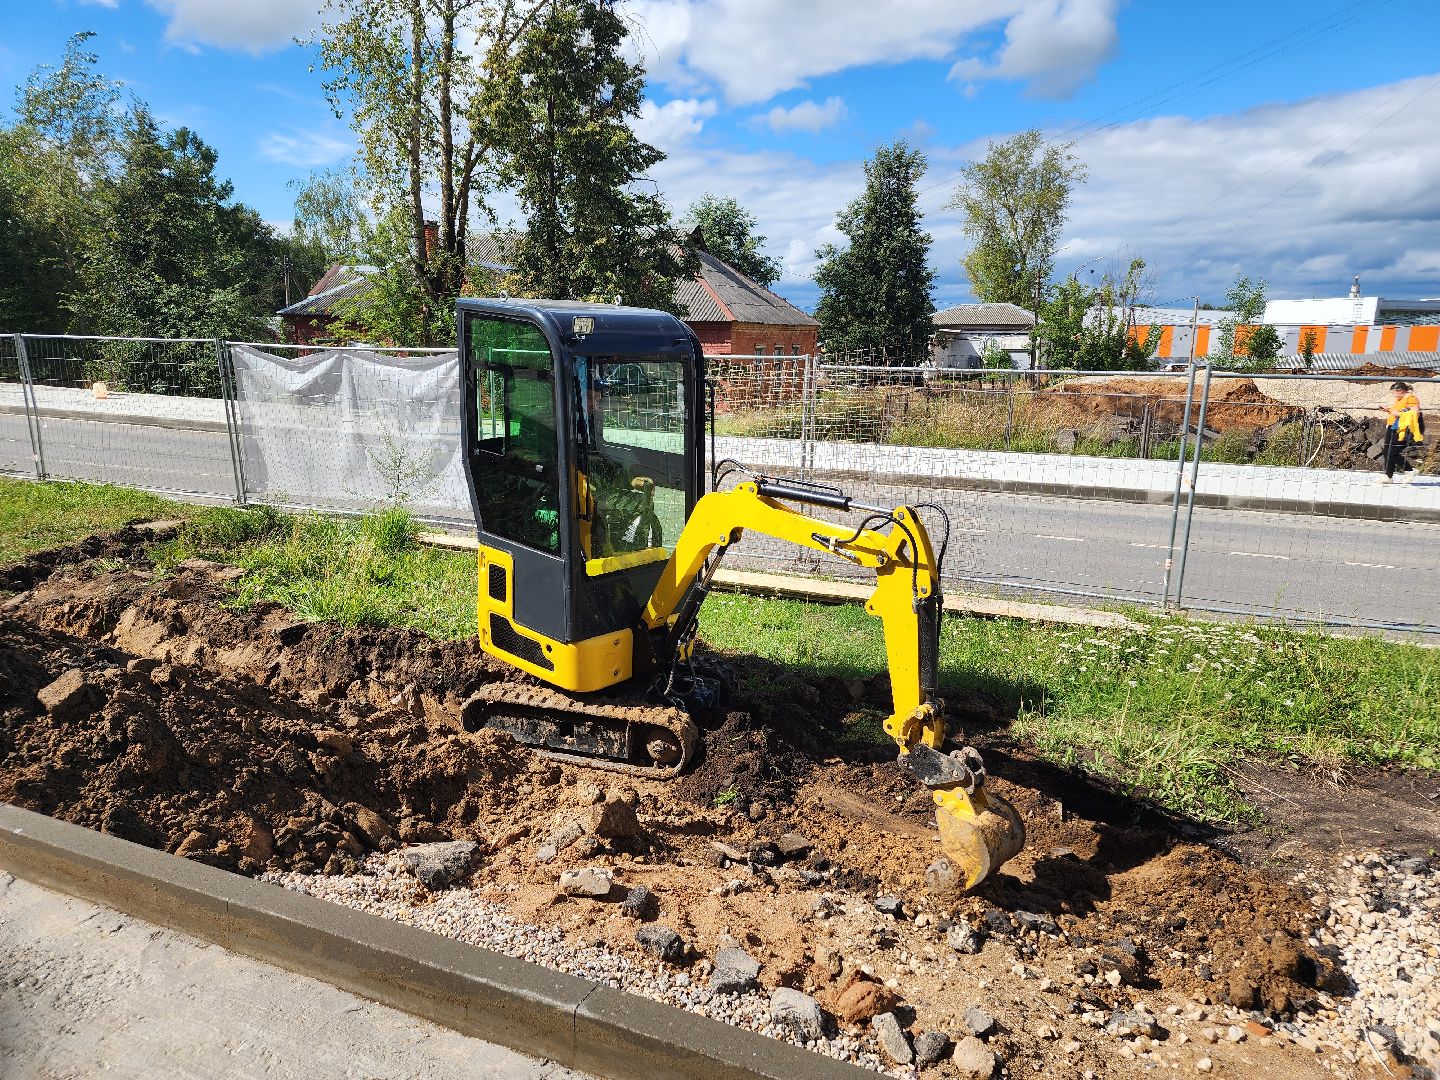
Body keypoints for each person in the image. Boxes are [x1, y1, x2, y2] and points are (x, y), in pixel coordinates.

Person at [1380, 381, 1425, 482]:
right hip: (1393, 427)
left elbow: (1415, 413)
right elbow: (1398, 412)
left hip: (1404, 429)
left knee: (1393, 452)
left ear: (1400, 391)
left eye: (1393, 393)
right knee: (1387, 451)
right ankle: (1388, 476)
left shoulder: (1411, 399)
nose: (1393, 395)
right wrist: (1389, 410)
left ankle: (1409, 470)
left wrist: (1396, 413)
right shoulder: (1400, 400)